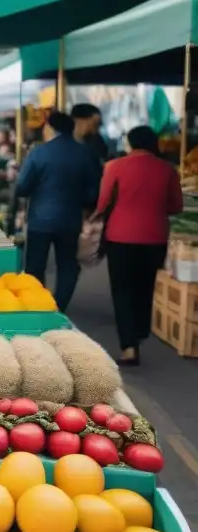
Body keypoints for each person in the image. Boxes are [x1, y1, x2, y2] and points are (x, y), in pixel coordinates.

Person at [96, 125, 183, 366]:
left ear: (130, 143)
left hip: (120, 237)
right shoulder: (167, 169)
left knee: (122, 290)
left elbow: (102, 203)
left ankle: (129, 346)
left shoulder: (115, 167)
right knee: (146, 287)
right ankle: (141, 331)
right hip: (154, 237)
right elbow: (176, 206)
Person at [15, 111, 102, 312]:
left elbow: (22, 188)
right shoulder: (86, 153)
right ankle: (59, 305)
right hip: (70, 219)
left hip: (39, 220)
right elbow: (94, 192)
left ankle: (37, 306)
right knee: (68, 265)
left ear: (49, 128)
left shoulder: (38, 153)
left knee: (36, 266)